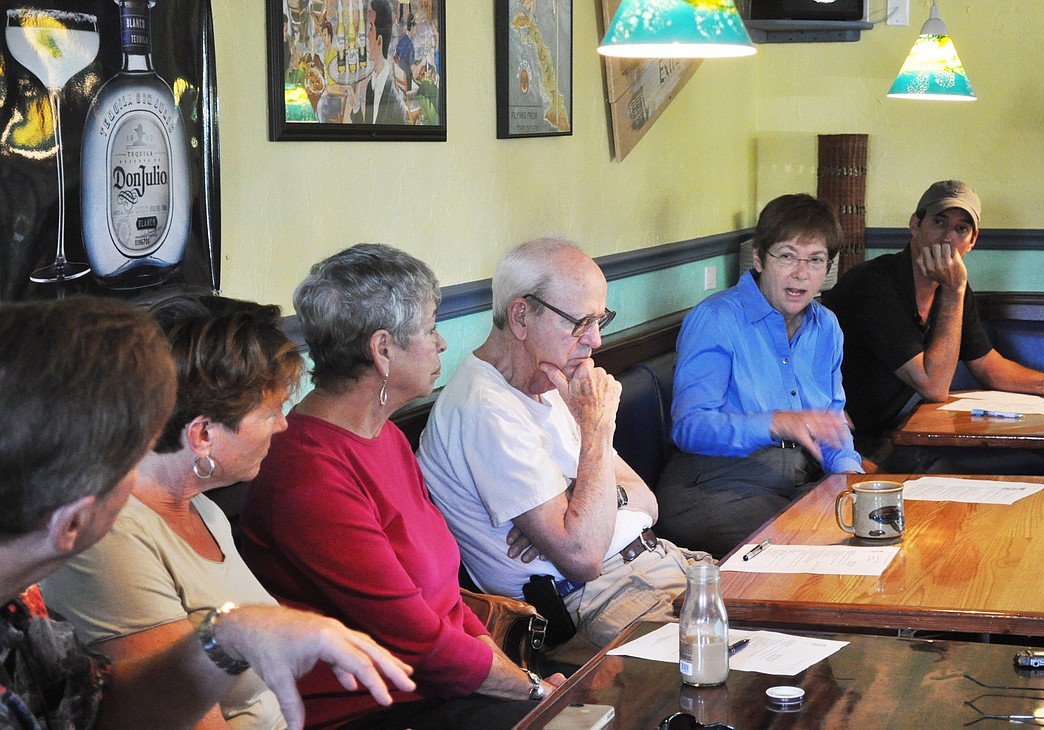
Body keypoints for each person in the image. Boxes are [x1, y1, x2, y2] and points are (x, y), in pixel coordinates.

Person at [0, 296, 414, 730]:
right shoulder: (109, 545)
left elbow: (111, 718)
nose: (148, 462)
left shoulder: (21, 610)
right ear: (73, 522)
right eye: (134, 450)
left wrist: (227, 637)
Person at [241, 244, 562, 730]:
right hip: (367, 710)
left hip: (436, 689)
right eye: (431, 329)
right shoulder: (306, 473)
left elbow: (447, 604)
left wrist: (519, 678)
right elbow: (418, 639)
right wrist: (534, 691)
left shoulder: (384, 434)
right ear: (382, 350)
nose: (442, 344)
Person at [418, 238, 702, 651]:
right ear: (521, 316)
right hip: (596, 599)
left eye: (599, 322)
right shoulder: (485, 409)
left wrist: (578, 498)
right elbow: (583, 556)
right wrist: (598, 429)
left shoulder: (550, 378)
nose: (596, 342)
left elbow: (649, 502)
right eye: (581, 322)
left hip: (660, 559)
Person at [39, 294, 303, 730]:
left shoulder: (204, 509)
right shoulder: (111, 538)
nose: (283, 424)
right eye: (271, 409)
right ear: (201, 434)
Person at [823, 180, 1044, 470]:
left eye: (961, 228)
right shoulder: (874, 284)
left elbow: (985, 363)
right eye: (938, 222)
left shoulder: (954, 286)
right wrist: (954, 290)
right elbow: (933, 386)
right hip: (849, 444)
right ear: (915, 225)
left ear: (972, 241)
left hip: (902, 434)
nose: (948, 237)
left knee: (1023, 467)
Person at [655, 194, 863, 557]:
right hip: (713, 484)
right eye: (787, 256)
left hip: (795, 479)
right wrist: (775, 423)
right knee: (817, 548)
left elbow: (832, 424)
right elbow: (689, 428)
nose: (802, 273)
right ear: (758, 259)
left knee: (873, 530)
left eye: (815, 260)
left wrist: (849, 479)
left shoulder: (826, 326)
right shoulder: (717, 318)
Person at [351, 0, 405, 125]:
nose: (366, 36)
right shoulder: (372, 85)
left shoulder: (397, 104)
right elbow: (368, 133)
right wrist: (356, 107)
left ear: (379, 40)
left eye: (370, 28)